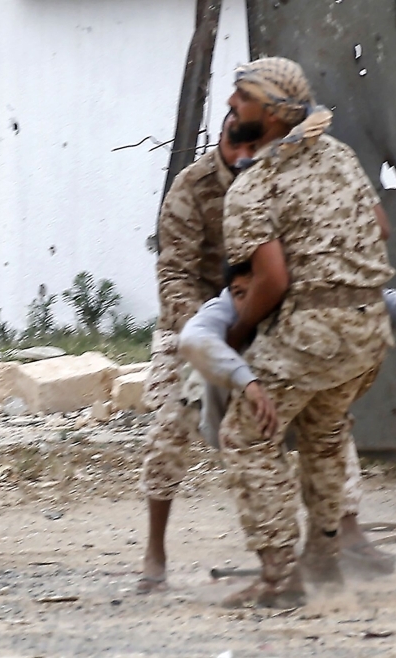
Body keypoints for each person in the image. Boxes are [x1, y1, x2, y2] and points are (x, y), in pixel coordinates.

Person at [218, 56, 396, 608]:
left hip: (310, 332)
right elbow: (382, 226)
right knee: (322, 435)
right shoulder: (341, 156)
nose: (230, 105)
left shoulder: (256, 185)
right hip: (369, 329)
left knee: (245, 435)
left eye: (240, 98)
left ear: (270, 115)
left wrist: (241, 333)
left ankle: (279, 578)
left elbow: (270, 279)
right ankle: (325, 558)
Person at [179, 260, 396, 574]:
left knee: (332, 436)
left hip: (293, 395)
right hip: (237, 405)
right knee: (257, 463)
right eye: (239, 293)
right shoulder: (226, 312)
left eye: (255, 291)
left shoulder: (304, 306)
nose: (247, 301)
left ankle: (342, 537)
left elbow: (385, 301)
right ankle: (280, 564)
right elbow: (196, 342)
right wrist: (245, 381)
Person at [137, 112, 261, 593]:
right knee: (170, 429)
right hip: (193, 319)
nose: (244, 153)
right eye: (236, 139)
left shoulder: (280, 182)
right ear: (222, 137)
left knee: (323, 416)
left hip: (260, 310)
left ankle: (343, 533)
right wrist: (205, 334)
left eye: (255, 141)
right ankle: (155, 551)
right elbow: (175, 275)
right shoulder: (192, 188)